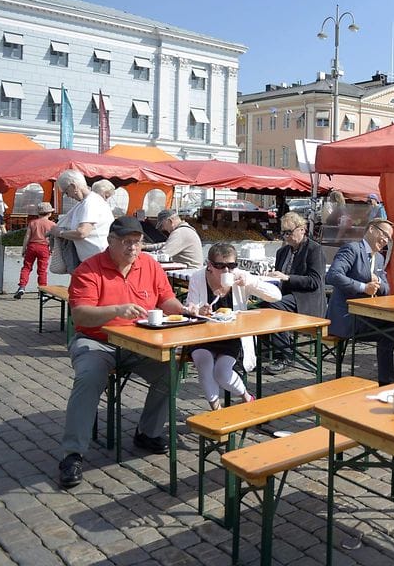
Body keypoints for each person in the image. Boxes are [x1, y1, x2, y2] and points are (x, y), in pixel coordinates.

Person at [58, 216, 185, 488]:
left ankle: (147, 432)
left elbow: (166, 299)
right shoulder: (89, 269)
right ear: (110, 241)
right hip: (97, 341)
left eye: (138, 243)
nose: (133, 248)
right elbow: (80, 315)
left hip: (139, 342)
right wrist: (115, 310)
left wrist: (188, 309)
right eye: (127, 242)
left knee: (170, 369)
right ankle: (72, 453)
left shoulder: (149, 265)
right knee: (89, 378)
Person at [186, 243, 281, 409]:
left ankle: (247, 398)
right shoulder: (198, 277)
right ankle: (217, 410)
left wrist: (250, 281)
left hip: (232, 336)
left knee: (221, 373)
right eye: (220, 266)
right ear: (209, 265)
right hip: (203, 336)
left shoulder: (240, 277)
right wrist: (199, 310)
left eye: (231, 266)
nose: (226, 271)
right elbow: (190, 309)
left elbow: (276, 296)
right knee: (203, 363)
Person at [325, 218, 394, 384]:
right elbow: (332, 276)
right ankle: (386, 382)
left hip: (366, 316)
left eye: (389, 238)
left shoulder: (379, 259)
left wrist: (378, 283)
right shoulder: (352, 249)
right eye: (385, 235)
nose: (386, 240)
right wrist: (362, 287)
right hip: (346, 317)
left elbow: (387, 289)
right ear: (372, 230)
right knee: (390, 329)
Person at [262, 212, 327, 374]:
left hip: (306, 300)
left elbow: (314, 282)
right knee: (259, 305)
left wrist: (287, 277)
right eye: (283, 233)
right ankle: (257, 353)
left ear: (302, 230)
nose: (286, 237)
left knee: (274, 307)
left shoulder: (314, 249)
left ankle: (285, 355)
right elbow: (279, 281)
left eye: (289, 232)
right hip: (286, 296)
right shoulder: (282, 252)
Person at [53, 169, 114, 266]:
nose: (67, 196)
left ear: (73, 187)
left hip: (97, 261)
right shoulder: (86, 202)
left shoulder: (90, 203)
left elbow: (82, 232)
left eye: (66, 192)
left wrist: (60, 233)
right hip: (94, 260)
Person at [15, 203, 57, 299]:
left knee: (26, 267)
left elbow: (27, 236)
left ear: (38, 213)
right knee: (42, 270)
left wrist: (23, 248)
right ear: (49, 214)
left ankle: (22, 287)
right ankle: (42, 291)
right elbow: (52, 238)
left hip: (32, 246)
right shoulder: (52, 224)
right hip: (44, 248)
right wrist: (52, 248)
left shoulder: (33, 223)